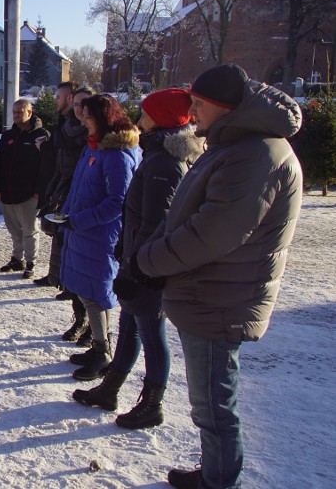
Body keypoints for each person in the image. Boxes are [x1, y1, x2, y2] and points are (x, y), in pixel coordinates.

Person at [133, 65, 303, 489]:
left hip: (220, 299)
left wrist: (145, 262)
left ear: (224, 107)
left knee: (214, 405)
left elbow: (210, 234)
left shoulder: (255, 155)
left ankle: (221, 480)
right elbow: (183, 214)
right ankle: (216, 472)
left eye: (198, 104)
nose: (190, 111)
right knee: (209, 402)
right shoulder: (233, 144)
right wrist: (149, 256)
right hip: (208, 292)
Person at [72, 88, 204, 429]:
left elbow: (155, 223)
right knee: (130, 325)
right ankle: (111, 388)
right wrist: (126, 254)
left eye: (147, 112)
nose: (140, 117)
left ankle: (152, 403)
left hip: (149, 266)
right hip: (138, 259)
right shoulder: (156, 154)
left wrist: (136, 265)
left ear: (161, 118)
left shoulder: (164, 163)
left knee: (150, 332)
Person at [55, 94, 140, 381]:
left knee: (97, 295)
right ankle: (99, 345)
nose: (83, 119)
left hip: (99, 237)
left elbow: (118, 202)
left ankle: (104, 351)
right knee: (87, 293)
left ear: (104, 119)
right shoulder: (94, 148)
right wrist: (64, 215)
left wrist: (77, 220)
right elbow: (78, 188)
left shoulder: (116, 155)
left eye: (88, 116)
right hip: (82, 234)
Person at [37, 85, 92, 346]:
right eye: (78, 105)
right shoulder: (68, 126)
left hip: (82, 201)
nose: (80, 110)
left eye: (85, 105)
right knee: (66, 250)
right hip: (65, 190)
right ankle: (79, 316)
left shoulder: (92, 137)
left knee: (85, 266)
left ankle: (92, 327)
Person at [0, 98, 49, 279]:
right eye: (14, 112)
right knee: (14, 229)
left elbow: (47, 166)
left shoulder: (41, 136)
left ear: (29, 113)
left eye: (19, 112)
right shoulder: (8, 136)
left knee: (29, 230)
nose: (16, 115)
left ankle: (31, 262)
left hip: (29, 194)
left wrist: (40, 190)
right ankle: (17, 259)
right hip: (8, 192)